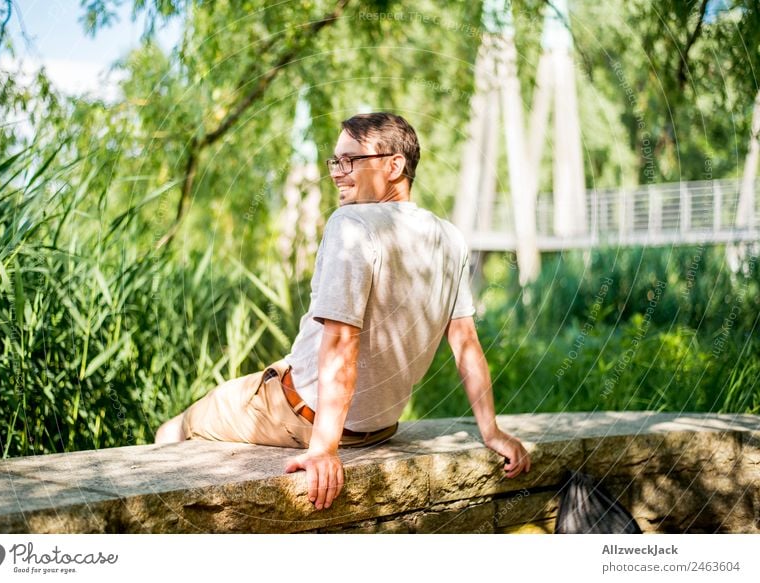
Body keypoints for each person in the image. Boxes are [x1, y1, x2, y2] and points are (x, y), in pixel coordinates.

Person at [155, 112, 531, 511]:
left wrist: (323, 450)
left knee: (177, 427)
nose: (338, 172)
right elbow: (466, 343)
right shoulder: (449, 237)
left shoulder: (351, 224)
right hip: (379, 430)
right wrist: (490, 431)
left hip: (301, 414)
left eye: (351, 160)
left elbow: (340, 344)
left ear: (394, 165)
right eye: (336, 161)